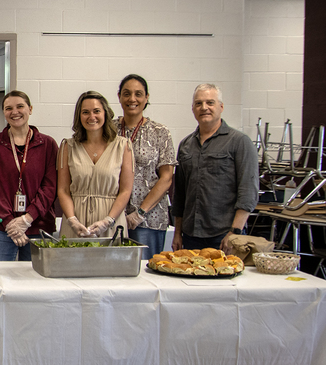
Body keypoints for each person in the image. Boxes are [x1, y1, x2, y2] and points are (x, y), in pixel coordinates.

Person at [172, 83, 258, 252]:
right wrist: (177, 232)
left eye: (210, 103)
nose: (204, 108)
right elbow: (180, 194)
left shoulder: (239, 142)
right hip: (190, 236)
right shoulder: (186, 145)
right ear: (193, 108)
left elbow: (248, 192)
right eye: (199, 103)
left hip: (224, 235)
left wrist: (235, 232)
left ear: (221, 106)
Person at [0, 91, 58, 260]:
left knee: (38, 281)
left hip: (39, 226)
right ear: (4, 113)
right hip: (2, 228)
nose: (15, 112)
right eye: (9, 108)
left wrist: (27, 219)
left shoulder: (48, 144)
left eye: (20, 106)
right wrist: (10, 223)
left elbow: (50, 186)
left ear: (30, 109)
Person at [57, 91, 134, 238]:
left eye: (96, 111)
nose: (91, 117)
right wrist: (72, 220)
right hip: (76, 220)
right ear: (79, 116)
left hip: (111, 219)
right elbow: (63, 190)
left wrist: (108, 221)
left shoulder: (123, 146)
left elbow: (125, 190)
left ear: (105, 113)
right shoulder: (68, 146)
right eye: (85, 112)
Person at [114, 74, 176, 259]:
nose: (132, 99)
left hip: (149, 220)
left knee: (143, 277)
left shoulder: (160, 132)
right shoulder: (109, 130)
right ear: (119, 97)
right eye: (127, 94)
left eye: (138, 94)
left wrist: (140, 213)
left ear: (146, 97)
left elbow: (166, 178)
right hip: (113, 217)